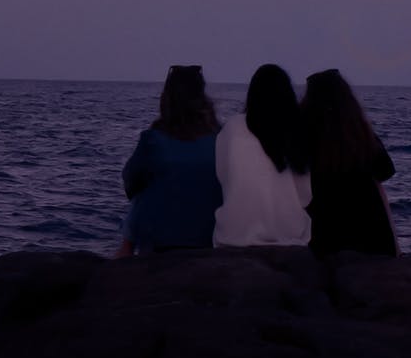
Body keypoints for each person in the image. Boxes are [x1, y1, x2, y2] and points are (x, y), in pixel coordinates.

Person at [118, 64, 222, 254]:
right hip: (208, 237)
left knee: (144, 189)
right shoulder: (219, 138)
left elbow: (130, 183)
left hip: (160, 242)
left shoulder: (153, 139)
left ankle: (124, 252)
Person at [300, 69, 398, 257]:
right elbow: (383, 175)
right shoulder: (362, 136)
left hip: (324, 235)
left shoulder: (303, 135)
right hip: (370, 236)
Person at [213, 63, 312, 247]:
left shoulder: (232, 128)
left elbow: (223, 177)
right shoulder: (295, 131)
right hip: (288, 233)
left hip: (235, 233)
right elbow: (305, 195)